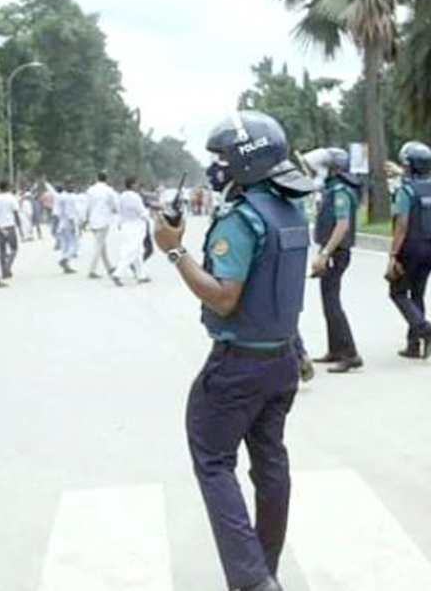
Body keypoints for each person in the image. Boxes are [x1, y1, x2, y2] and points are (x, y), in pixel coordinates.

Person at [154, 110, 313, 591]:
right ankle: (266, 569)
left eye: (221, 156)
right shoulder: (290, 211)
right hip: (282, 359)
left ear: (245, 160)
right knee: (270, 463)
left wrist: (175, 250)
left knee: (212, 459)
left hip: (238, 365)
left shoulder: (240, 219)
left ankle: (251, 581)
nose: (215, 166)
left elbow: (224, 295)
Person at [310, 147, 364, 373]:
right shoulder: (333, 189)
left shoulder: (340, 191)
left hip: (336, 253)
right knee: (328, 302)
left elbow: (342, 226)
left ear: (334, 169)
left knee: (333, 304)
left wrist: (325, 254)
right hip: (332, 251)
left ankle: (350, 354)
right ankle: (335, 349)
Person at [388, 141, 431, 359]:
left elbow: (401, 226)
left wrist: (393, 255)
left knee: (398, 292)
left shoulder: (406, 191)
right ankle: (413, 345)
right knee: (418, 293)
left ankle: (424, 329)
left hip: (411, 246)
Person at [111, 177, 150, 286]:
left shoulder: (122, 196)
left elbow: (119, 210)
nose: (138, 186)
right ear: (132, 185)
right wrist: (150, 217)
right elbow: (141, 212)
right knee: (131, 251)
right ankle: (117, 273)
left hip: (126, 225)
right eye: (137, 184)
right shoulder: (135, 197)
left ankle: (141, 275)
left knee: (138, 251)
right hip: (136, 226)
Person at [85, 171, 119, 279]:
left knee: (102, 245)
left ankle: (109, 267)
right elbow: (115, 205)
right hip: (103, 220)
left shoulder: (90, 190)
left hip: (92, 220)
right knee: (99, 247)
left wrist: (85, 219)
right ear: (106, 179)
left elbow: (87, 205)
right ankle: (92, 270)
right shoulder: (109, 190)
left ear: (96, 178)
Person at [0, 181, 22, 278]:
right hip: (10, 225)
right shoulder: (11, 198)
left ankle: (3, 270)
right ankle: (7, 267)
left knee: (2, 250)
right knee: (14, 248)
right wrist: (20, 227)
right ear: (8, 187)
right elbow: (16, 213)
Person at [54, 184, 80, 274]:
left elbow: (56, 213)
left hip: (61, 224)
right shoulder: (68, 198)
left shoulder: (59, 197)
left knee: (65, 246)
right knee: (75, 245)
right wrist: (73, 225)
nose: (72, 188)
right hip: (69, 223)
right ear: (67, 188)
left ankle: (66, 267)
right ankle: (64, 259)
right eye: (71, 187)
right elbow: (69, 213)